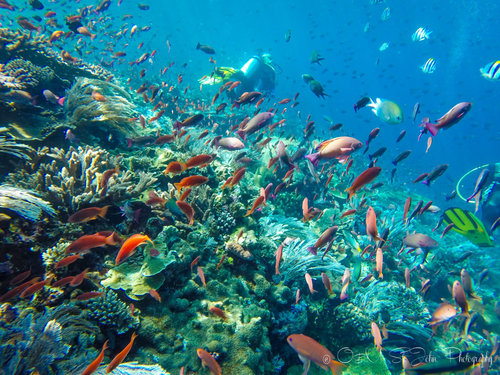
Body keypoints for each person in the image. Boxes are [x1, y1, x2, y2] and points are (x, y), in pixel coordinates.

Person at [200, 53, 277, 98]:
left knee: (233, 92)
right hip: (246, 85)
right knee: (234, 92)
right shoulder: (266, 69)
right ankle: (228, 74)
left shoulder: (263, 68)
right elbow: (268, 85)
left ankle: (226, 74)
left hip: (244, 84)